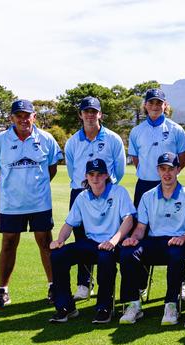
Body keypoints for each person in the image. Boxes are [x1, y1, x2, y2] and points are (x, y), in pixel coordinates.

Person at [0, 99, 63, 309]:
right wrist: (12, 187)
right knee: (9, 243)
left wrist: (35, 188)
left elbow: (52, 168)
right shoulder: (1, 140)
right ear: (12, 118)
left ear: (34, 117)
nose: (23, 120)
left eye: (26, 115)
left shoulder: (46, 139)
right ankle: (3, 291)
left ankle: (53, 286)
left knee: (45, 242)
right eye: (18, 116)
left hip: (40, 203)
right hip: (11, 204)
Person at [48, 159, 135, 323]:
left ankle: (104, 307)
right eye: (91, 174)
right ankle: (66, 307)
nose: (95, 178)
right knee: (58, 255)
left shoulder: (119, 192)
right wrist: (59, 240)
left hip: (113, 244)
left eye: (99, 174)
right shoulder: (82, 197)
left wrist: (113, 241)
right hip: (91, 243)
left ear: (106, 175)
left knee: (105, 256)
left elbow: (129, 219)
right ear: (86, 176)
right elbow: (69, 223)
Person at [118, 152, 185, 325]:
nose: (167, 173)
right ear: (158, 170)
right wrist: (133, 239)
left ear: (178, 169)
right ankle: (133, 304)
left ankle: (171, 305)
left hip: (178, 241)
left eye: (171, 169)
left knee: (176, 254)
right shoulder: (148, 196)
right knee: (127, 252)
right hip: (154, 241)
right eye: (163, 169)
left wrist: (182, 238)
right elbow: (141, 228)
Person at [64, 96, 126, 301]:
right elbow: (73, 170)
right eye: (86, 111)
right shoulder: (73, 141)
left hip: (108, 192)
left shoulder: (113, 138)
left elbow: (119, 169)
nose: (90, 115)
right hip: (80, 192)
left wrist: (104, 186)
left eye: (94, 111)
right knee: (82, 238)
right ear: (81, 115)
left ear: (100, 114)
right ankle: (84, 283)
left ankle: (104, 284)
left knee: (108, 236)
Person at [128, 88, 185, 207]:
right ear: (145, 105)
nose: (155, 106)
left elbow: (183, 159)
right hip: (144, 184)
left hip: (169, 184)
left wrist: (169, 175)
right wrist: (147, 173)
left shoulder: (176, 129)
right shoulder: (136, 131)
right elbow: (136, 159)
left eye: (159, 103)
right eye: (151, 102)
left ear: (165, 105)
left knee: (168, 222)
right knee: (141, 224)